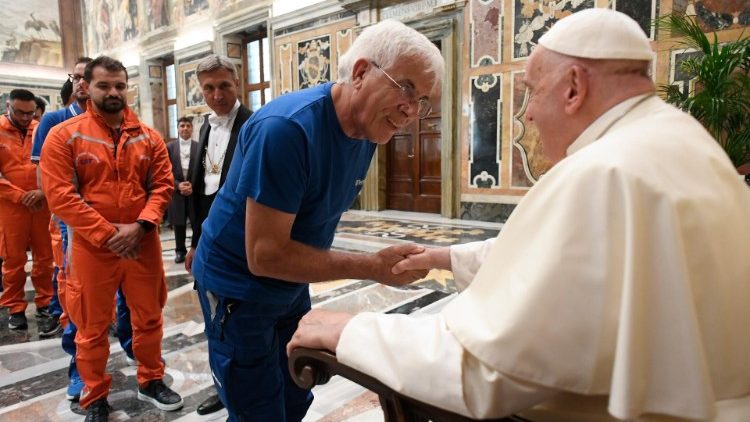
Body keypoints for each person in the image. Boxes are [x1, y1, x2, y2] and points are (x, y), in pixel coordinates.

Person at [288, 9, 750, 421]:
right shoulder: (676, 136)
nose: (526, 115)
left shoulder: (604, 169)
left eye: (531, 91)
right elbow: (563, 255)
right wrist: (444, 255)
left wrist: (354, 330)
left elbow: (488, 374)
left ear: (574, 87)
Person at [191, 19, 441, 421]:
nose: (412, 111)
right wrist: (373, 266)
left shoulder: (367, 131)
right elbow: (265, 256)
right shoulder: (287, 129)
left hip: (290, 285)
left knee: (295, 395)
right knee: (257, 406)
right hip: (238, 288)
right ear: (361, 73)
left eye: (423, 100)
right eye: (407, 88)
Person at [39, 56, 182, 421]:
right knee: (90, 326)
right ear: (85, 86)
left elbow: (163, 186)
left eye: (120, 85)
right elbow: (60, 196)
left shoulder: (148, 137)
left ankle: (151, 380)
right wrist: (107, 234)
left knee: (149, 318)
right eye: (105, 85)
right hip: (91, 246)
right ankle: (95, 397)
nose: (114, 92)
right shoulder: (64, 135)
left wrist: (142, 225)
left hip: (142, 242)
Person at [32, 57, 136, 401]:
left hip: (123, 230)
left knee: (128, 298)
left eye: (116, 85)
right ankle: (80, 374)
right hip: (73, 228)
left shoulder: (125, 123)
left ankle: (136, 352)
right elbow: (49, 184)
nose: (80, 84)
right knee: (79, 305)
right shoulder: (56, 122)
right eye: (76, 78)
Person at [183, 54, 253, 416]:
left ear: (237, 83)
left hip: (240, 244)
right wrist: (196, 244)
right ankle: (222, 387)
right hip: (207, 241)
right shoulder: (205, 127)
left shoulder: (255, 125)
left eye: (223, 85)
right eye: (208, 88)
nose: (216, 94)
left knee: (236, 325)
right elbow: (202, 192)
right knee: (211, 322)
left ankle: (239, 395)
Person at [0, 89, 54, 331]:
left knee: (46, 258)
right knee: (13, 260)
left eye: (30, 113)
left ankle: (45, 303)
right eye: (19, 112)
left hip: (42, 204)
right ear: (8, 107)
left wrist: (43, 191)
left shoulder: (41, 130)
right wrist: (20, 195)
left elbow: (53, 166)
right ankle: (15, 307)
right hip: (11, 207)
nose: (25, 118)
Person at [166, 116, 198, 264]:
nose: (185, 128)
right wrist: (177, 185)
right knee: (179, 223)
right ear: (178, 129)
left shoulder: (199, 146)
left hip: (194, 191)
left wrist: (193, 185)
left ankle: (197, 249)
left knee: (197, 221)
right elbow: (165, 171)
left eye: (188, 126)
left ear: (192, 129)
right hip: (177, 191)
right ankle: (180, 251)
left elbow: (204, 169)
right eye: (182, 126)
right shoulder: (170, 147)